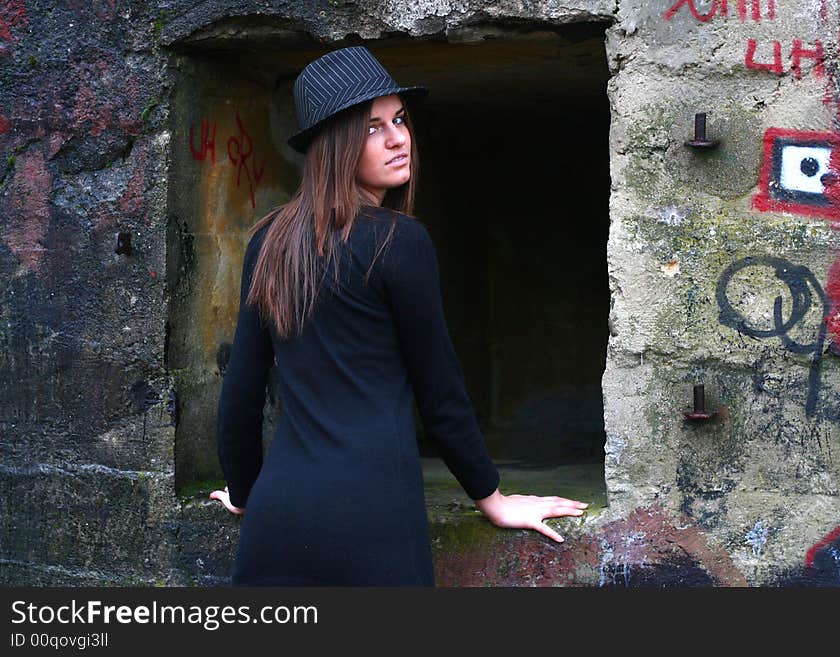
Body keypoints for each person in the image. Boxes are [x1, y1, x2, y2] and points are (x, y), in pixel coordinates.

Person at [210, 45, 588, 586]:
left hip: (280, 515)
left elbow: (241, 396)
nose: (398, 138)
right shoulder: (399, 241)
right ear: (335, 145)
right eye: (372, 127)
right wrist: (493, 498)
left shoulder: (268, 240)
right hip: (374, 518)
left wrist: (246, 493)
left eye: (401, 120)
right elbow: (441, 392)